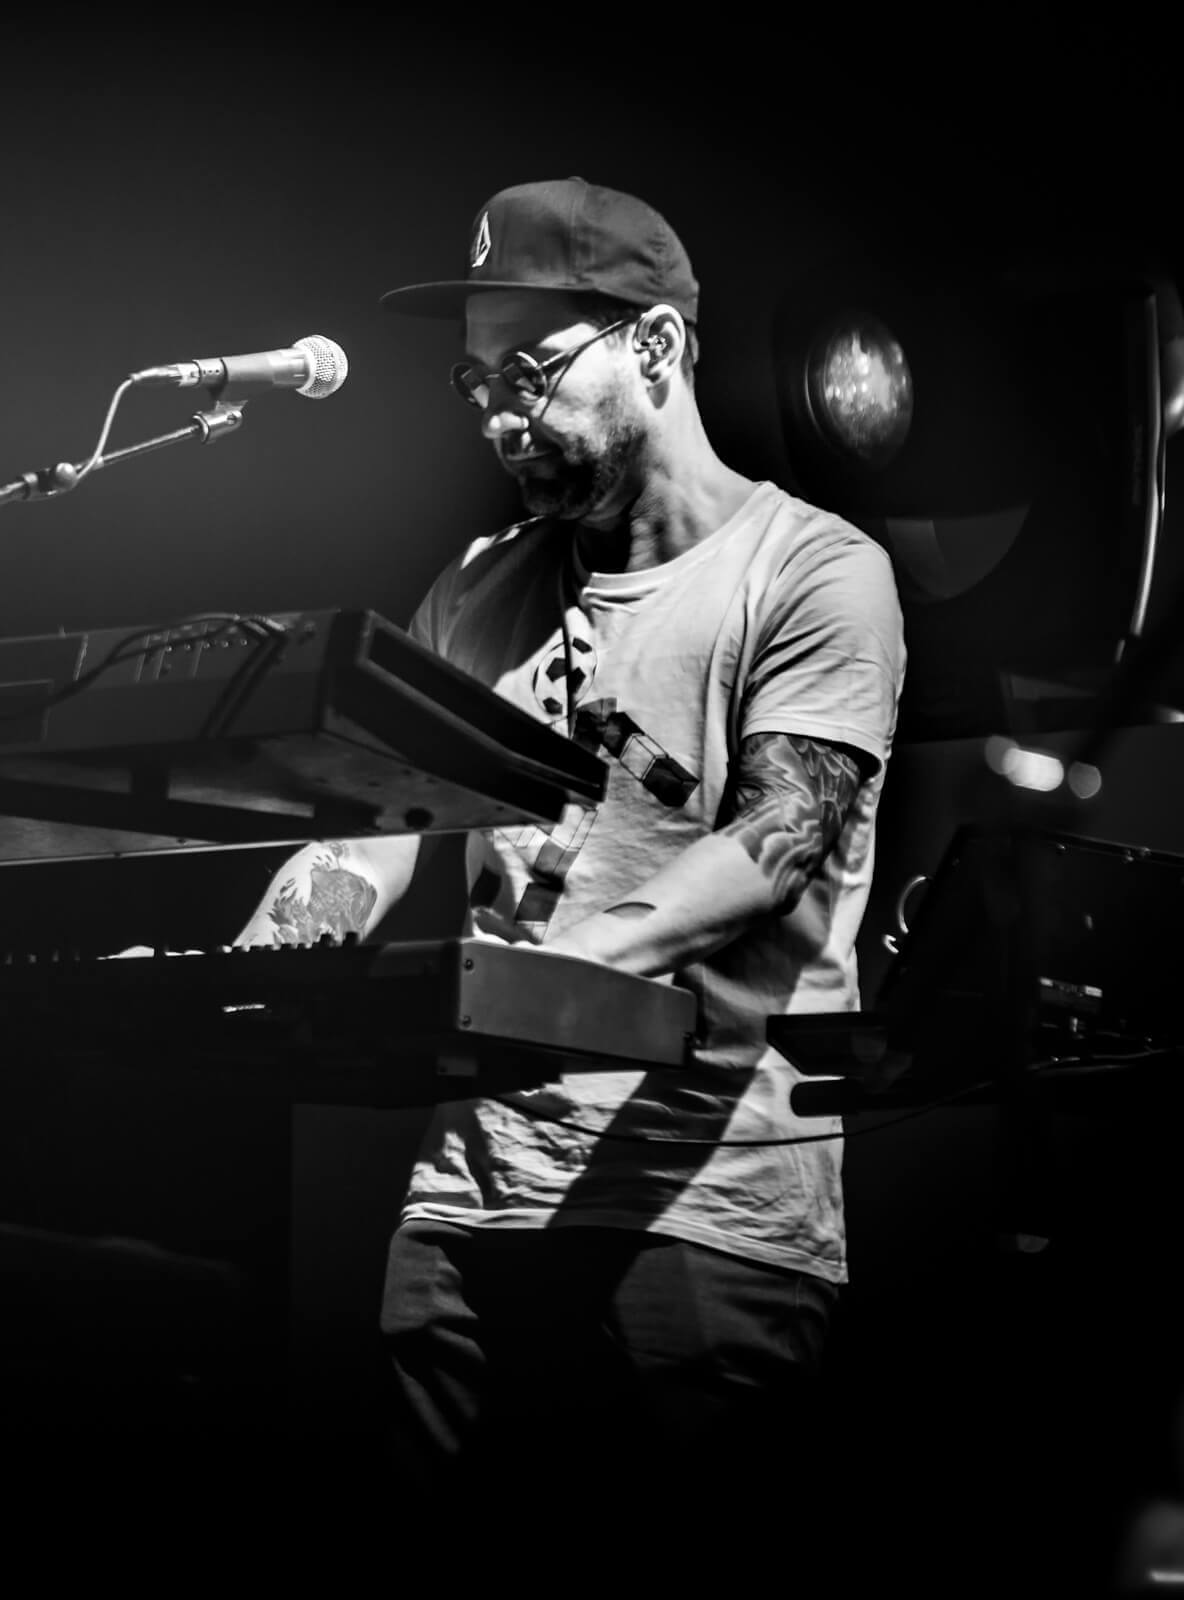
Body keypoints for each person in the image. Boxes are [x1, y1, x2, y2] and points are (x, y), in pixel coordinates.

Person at [238, 178, 905, 1546]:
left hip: (700, 1217)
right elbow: (369, 827)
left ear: (654, 346)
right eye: (475, 380)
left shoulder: (814, 571)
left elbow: (769, 847)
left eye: (528, 372)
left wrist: (522, 982)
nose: (496, 414)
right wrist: (256, 957)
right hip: (466, 1211)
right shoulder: (476, 587)